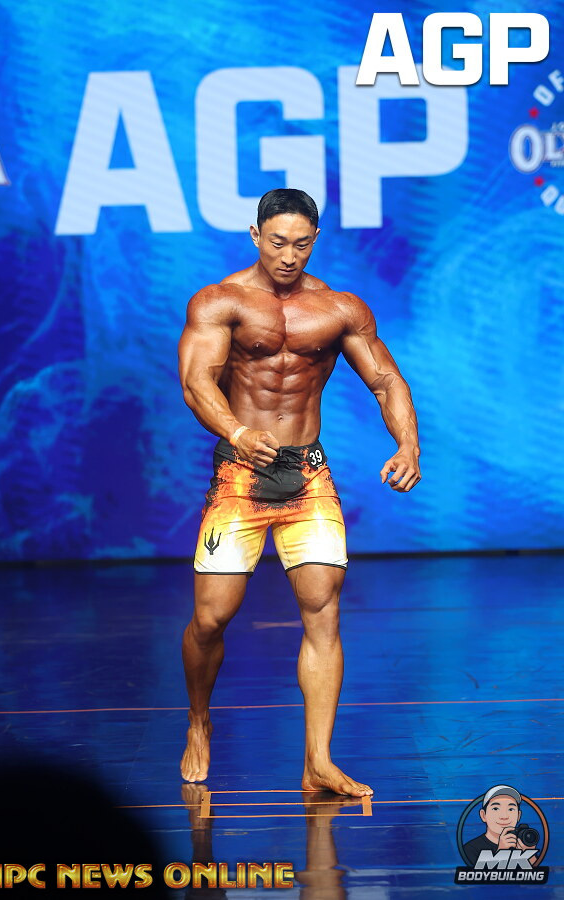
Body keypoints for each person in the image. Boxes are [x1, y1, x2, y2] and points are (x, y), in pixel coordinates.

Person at [178, 188, 421, 797]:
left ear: (315, 242)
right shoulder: (221, 301)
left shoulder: (338, 309)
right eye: (278, 242)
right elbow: (196, 381)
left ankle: (318, 761)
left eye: (301, 244)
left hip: (308, 474)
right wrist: (237, 430)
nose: (289, 256)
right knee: (211, 618)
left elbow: (386, 380)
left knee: (322, 610)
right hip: (242, 473)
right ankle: (199, 720)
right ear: (255, 236)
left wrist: (408, 445)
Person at [463, 785, 539, 866]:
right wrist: (501, 852)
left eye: (511, 809)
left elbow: (539, 872)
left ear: (518, 815)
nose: (504, 816)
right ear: (483, 815)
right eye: (496, 808)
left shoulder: (523, 842)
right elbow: (479, 873)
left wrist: (529, 854)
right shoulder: (470, 849)